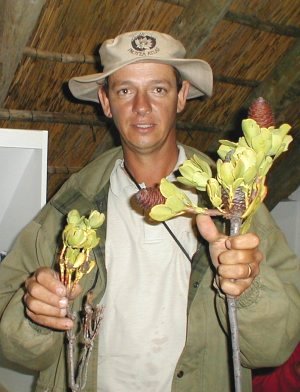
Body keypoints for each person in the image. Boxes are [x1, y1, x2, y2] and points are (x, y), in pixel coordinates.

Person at [0, 30, 299, 392]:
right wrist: (36, 313)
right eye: (125, 90)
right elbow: (16, 347)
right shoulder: (73, 204)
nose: (141, 106)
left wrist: (248, 287)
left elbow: (272, 348)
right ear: (106, 102)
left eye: (158, 89)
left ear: (181, 97)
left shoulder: (234, 202)